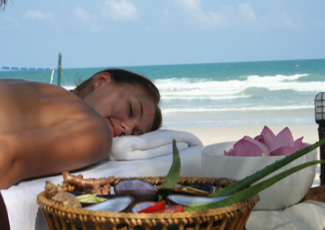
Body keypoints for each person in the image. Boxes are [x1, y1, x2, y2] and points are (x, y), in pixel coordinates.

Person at [0, 68, 162, 189]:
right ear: (101, 81)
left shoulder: (30, 88)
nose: (127, 129)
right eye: (131, 109)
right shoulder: (96, 132)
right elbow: (8, 160)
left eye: (135, 134)